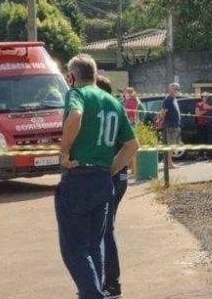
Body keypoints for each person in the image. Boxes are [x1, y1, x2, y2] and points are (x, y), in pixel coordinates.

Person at [57, 55, 139, 299]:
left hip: (79, 177)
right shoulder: (113, 101)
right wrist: (111, 169)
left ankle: (93, 294)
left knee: (73, 247)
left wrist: (64, 151)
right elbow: (132, 144)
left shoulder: (77, 93)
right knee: (95, 244)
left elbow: (75, 116)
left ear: (72, 76)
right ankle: (95, 290)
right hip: (103, 179)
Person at [96, 75, 128, 297]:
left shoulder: (106, 112)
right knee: (104, 230)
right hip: (117, 178)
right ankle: (106, 282)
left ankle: (111, 284)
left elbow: (131, 145)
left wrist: (109, 172)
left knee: (105, 232)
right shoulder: (116, 109)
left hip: (111, 178)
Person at [158, 83, 181, 169]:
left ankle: (168, 162)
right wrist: (160, 121)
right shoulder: (168, 100)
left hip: (175, 125)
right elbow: (163, 113)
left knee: (173, 145)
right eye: (174, 88)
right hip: (170, 125)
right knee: (170, 146)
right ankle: (169, 164)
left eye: (177, 89)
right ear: (170, 90)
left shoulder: (174, 99)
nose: (176, 90)